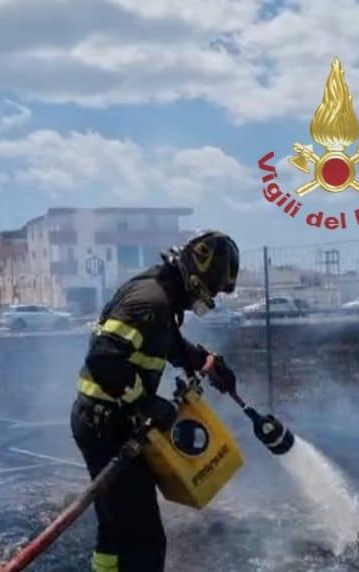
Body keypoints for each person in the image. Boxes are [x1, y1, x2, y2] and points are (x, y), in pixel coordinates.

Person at [70, 230, 240, 572]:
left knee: (114, 527)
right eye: (212, 289)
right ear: (197, 277)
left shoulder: (162, 296)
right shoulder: (151, 300)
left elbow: (163, 343)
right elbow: (103, 359)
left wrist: (203, 360)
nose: (209, 298)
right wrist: (143, 404)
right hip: (107, 426)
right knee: (143, 540)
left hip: (102, 420)